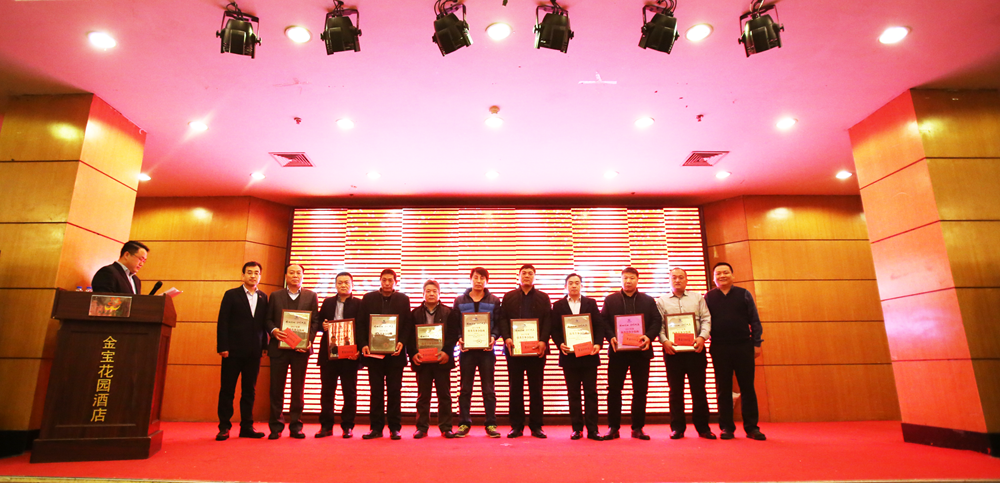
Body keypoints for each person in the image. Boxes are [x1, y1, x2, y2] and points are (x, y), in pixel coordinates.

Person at [705, 262, 766, 441]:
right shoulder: (708, 297)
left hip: (743, 346)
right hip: (719, 347)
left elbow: (755, 320)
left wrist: (757, 343)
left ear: (732, 275)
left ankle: (752, 427)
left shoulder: (744, 294)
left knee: (747, 387)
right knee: (723, 388)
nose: (722, 276)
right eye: (718, 273)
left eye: (726, 272)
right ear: (714, 278)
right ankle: (726, 428)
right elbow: (703, 322)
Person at [601, 266, 662, 441]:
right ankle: (613, 427)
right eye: (625, 278)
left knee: (640, 390)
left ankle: (638, 427)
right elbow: (603, 321)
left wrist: (648, 336)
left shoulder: (648, 300)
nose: (628, 281)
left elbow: (656, 321)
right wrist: (611, 337)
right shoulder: (610, 300)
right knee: (614, 389)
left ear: (637, 280)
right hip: (618, 352)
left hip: (641, 352)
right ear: (621, 280)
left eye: (632, 278)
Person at [656, 267, 715, 440]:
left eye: (681, 277)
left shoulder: (698, 298)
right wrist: (664, 341)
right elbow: (658, 325)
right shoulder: (662, 301)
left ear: (686, 280)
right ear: (669, 280)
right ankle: (677, 428)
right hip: (672, 351)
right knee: (675, 391)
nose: (677, 280)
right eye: (674, 277)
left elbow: (706, 319)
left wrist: (702, 337)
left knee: (699, 390)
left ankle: (703, 428)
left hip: (695, 350)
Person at [214, 261, 268, 441]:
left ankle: (247, 427)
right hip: (232, 351)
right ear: (242, 275)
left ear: (260, 276)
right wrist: (223, 346)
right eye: (249, 272)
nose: (253, 275)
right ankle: (224, 427)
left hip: (254, 352)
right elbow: (223, 322)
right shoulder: (231, 295)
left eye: (256, 273)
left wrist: (265, 346)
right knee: (227, 390)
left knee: (249, 391)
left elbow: (263, 324)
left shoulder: (263, 297)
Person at [265, 264, 319, 440]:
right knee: (276, 389)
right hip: (278, 349)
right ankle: (276, 426)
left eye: (299, 273)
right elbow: (268, 319)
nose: (295, 275)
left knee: (298, 389)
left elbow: (315, 321)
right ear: (286, 275)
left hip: (300, 350)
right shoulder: (275, 295)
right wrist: (274, 331)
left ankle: (296, 425)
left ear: (303, 276)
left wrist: (309, 339)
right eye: (292, 272)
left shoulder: (311, 296)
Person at [357, 269, 411, 440]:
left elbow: (407, 324)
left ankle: (395, 428)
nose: (387, 283)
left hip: (395, 354)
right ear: (380, 281)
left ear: (395, 282)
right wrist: (364, 344)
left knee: (395, 391)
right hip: (374, 354)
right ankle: (376, 427)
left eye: (390, 280)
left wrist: (402, 341)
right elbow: (361, 324)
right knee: (376, 392)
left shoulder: (403, 299)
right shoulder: (368, 298)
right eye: (384, 280)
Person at [498, 264, 551, 439]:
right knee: (515, 388)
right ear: (518, 276)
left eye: (530, 273)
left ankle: (536, 426)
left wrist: (543, 341)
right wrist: (507, 338)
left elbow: (548, 321)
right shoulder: (509, 297)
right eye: (524, 273)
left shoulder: (543, 297)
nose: (527, 276)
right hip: (514, 350)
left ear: (534, 276)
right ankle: (516, 426)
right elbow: (502, 319)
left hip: (537, 350)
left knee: (536, 389)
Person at [550, 273, 604, 441]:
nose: (574, 285)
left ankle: (593, 429)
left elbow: (599, 325)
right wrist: (560, 344)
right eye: (571, 283)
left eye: (577, 283)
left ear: (581, 285)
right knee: (573, 394)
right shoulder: (558, 305)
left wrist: (598, 344)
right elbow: (554, 329)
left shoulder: (590, 303)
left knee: (591, 393)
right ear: (565, 286)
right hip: (569, 356)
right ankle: (577, 429)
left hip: (589, 355)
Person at [407, 280, 462, 439]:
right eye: (428, 291)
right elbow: (410, 336)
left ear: (439, 293)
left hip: (441, 360)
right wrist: (413, 353)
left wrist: (446, 352)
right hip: (422, 361)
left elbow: (452, 334)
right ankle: (421, 428)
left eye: (434, 291)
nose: (431, 294)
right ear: (423, 293)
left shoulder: (449, 312)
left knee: (444, 395)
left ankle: (446, 427)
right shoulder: (414, 313)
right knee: (423, 396)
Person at [453, 267, 502, 438]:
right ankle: (464, 423)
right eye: (476, 277)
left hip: (486, 351)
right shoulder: (459, 300)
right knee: (465, 388)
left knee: (489, 389)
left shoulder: (494, 300)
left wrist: (493, 337)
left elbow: (498, 324)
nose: (479, 281)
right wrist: (459, 337)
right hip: (466, 351)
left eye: (482, 278)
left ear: (486, 281)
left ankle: (491, 424)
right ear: (470, 279)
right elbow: (455, 324)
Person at [315, 272, 361, 439]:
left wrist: (359, 350)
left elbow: (363, 328)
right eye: (340, 282)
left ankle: (347, 426)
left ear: (352, 284)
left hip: (349, 355)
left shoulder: (359, 304)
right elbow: (318, 322)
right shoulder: (327, 302)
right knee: (327, 391)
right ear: (335, 285)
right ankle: (326, 426)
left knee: (349, 392)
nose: (343, 285)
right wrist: (323, 326)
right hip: (330, 353)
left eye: (346, 282)